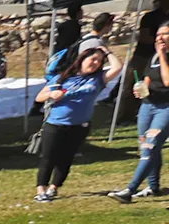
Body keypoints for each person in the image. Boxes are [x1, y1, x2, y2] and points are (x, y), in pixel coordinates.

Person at [34, 46, 124, 201]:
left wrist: (107, 52)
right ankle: (41, 190)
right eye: (93, 59)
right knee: (48, 158)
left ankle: (54, 188)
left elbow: (118, 67)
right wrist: (51, 94)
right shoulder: (62, 78)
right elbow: (39, 97)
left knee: (66, 158)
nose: (96, 63)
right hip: (55, 124)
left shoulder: (97, 79)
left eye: (99, 61)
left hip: (79, 126)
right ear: (82, 59)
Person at [111, 29, 169, 203]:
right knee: (148, 147)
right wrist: (141, 87)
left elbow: (167, 81)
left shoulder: (162, 56)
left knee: (151, 146)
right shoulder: (154, 57)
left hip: (165, 108)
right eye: (158, 34)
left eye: (165, 34)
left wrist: (162, 55)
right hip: (148, 105)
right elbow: (148, 77)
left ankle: (130, 189)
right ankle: (153, 186)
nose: (160, 37)